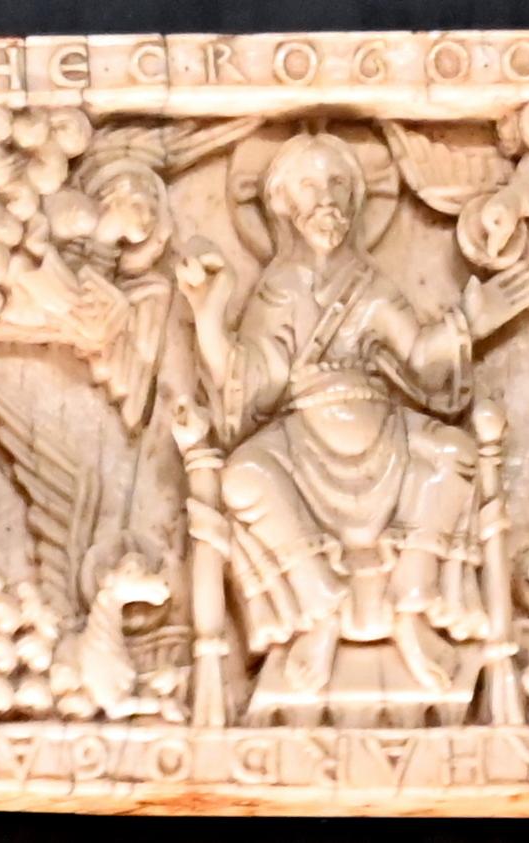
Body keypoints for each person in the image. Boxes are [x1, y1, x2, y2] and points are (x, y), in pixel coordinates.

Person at [176, 133, 489, 695]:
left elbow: (420, 357)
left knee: (456, 454)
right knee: (242, 476)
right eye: (309, 185)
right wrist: (208, 314)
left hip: (384, 429)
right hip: (302, 437)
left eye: (337, 183)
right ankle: (319, 613)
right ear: (281, 203)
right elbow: (254, 380)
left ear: (357, 198)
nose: (326, 198)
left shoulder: (371, 286)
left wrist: (471, 322)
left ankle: (410, 608)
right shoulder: (278, 289)